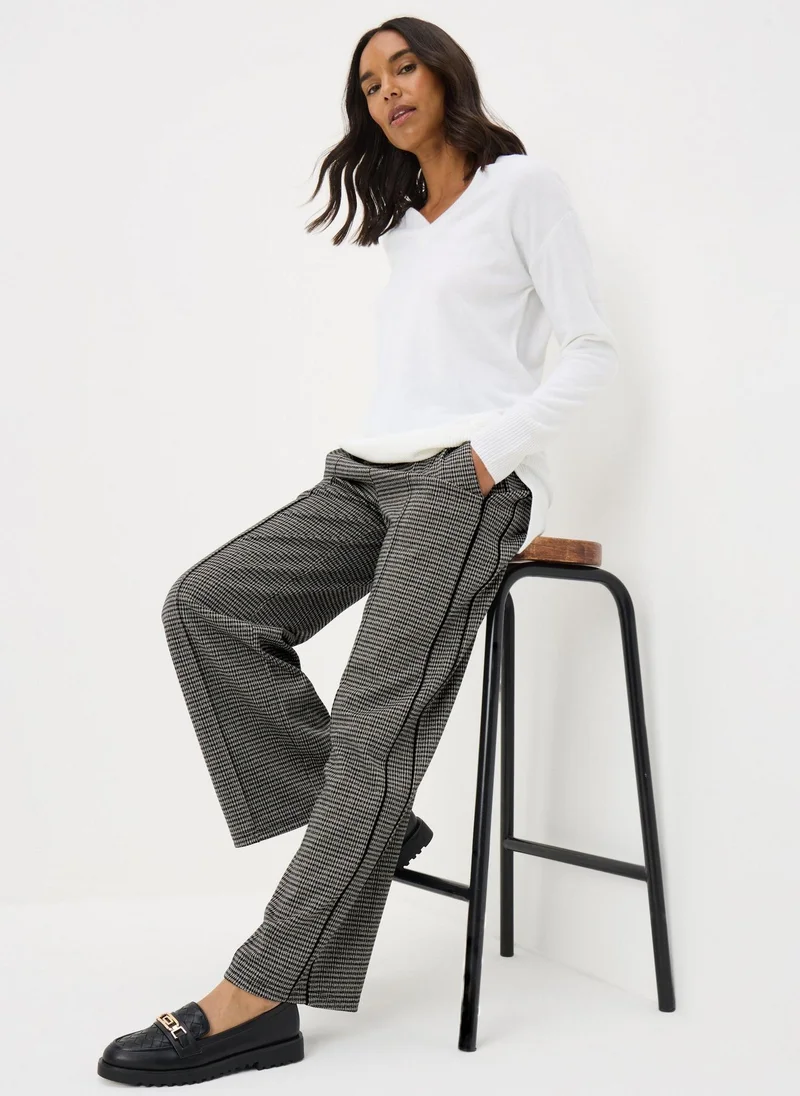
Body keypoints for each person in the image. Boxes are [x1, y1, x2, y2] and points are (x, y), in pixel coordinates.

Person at [96, 14, 619, 1087]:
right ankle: (372, 825)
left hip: (465, 483)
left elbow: (590, 351)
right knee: (207, 606)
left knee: (376, 727)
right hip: (367, 474)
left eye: (403, 67)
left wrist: (488, 456)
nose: (388, 91)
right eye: (370, 82)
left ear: (446, 73)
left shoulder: (521, 188)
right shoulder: (403, 227)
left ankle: (256, 997)